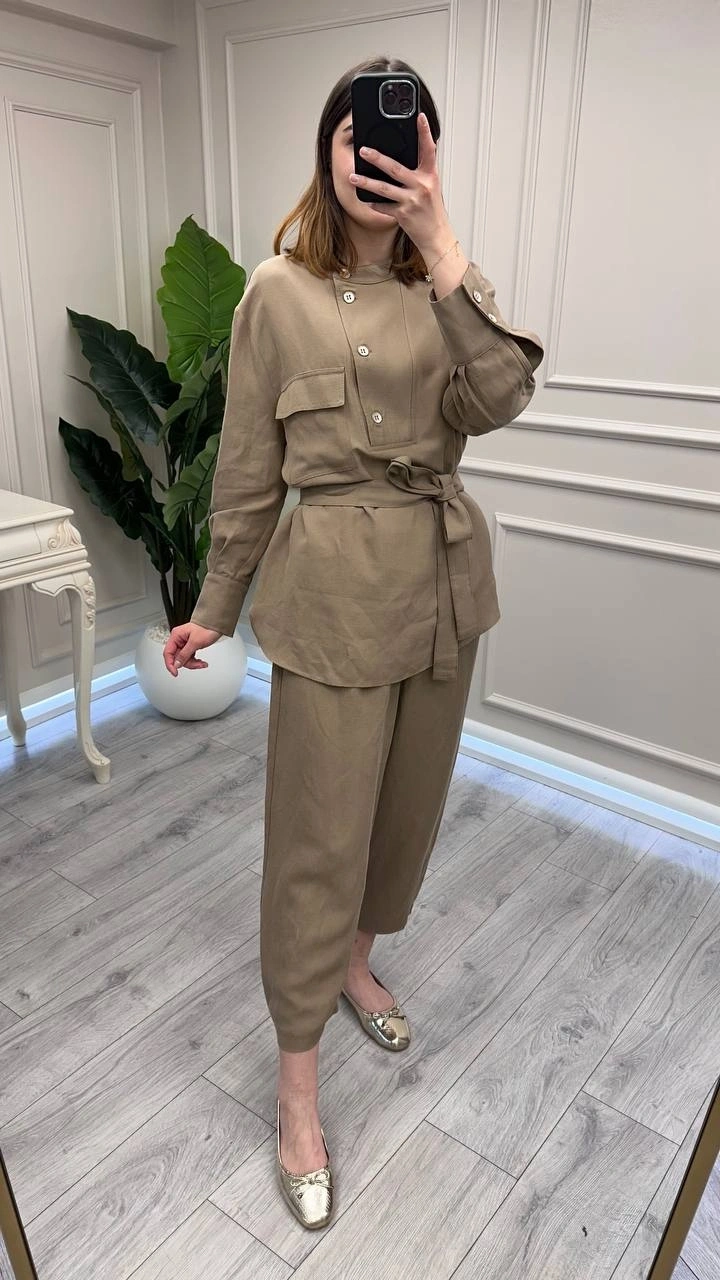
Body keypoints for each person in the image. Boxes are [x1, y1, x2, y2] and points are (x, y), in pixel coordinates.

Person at [163, 55, 544, 1230]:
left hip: (441, 585)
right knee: (316, 837)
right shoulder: (274, 292)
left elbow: (504, 396)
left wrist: (444, 247)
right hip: (332, 593)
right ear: (329, 150)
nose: (381, 158)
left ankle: (354, 958)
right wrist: (216, 602)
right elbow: (247, 467)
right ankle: (297, 1084)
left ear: (427, 159)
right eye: (361, 139)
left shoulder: (448, 287)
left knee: (404, 815)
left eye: (407, 142)